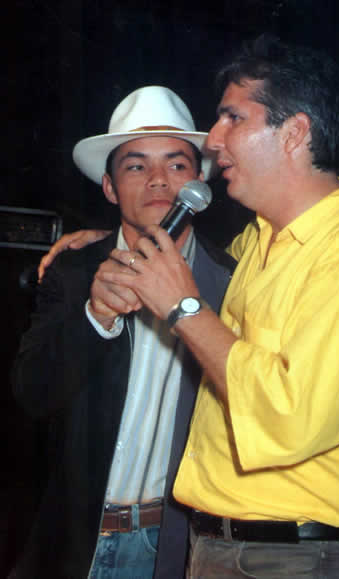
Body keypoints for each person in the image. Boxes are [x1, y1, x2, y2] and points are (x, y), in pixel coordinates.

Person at [87, 37, 339, 578]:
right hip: (224, 545)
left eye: (232, 118)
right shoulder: (258, 241)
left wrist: (183, 307)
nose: (214, 139)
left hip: (288, 555)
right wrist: (98, 244)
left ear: (294, 132)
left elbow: (290, 419)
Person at [11, 86, 235, 579]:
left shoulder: (230, 282)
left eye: (177, 164)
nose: (158, 179)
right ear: (110, 188)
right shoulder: (74, 272)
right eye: (136, 166)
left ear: (199, 182)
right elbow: (30, 395)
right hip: (81, 541)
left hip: (181, 542)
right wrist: (96, 316)